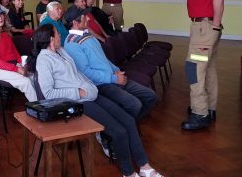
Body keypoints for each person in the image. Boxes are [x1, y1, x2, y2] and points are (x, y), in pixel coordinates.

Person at [27, 24, 163, 177]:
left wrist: (89, 85)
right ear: (51, 39)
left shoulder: (61, 51)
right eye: (58, 33)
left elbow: (77, 73)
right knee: (119, 132)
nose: (60, 35)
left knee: (129, 121)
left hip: (90, 94)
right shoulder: (44, 60)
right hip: (78, 102)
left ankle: (144, 166)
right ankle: (128, 173)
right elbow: (49, 93)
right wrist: (79, 91)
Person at [63, 7, 157, 121]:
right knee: (134, 105)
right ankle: (125, 127)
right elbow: (86, 73)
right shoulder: (72, 43)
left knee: (150, 96)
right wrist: (113, 78)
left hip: (112, 76)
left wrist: (116, 70)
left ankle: (130, 123)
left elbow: (103, 59)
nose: (88, 19)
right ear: (75, 22)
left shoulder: (86, 35)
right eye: (84, 17)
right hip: (101, 84)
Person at [182, 0, 224, 130]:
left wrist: (214, 28)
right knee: (208, 69)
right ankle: (210, 109)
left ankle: (200, 113)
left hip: (204, 30)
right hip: (205, 28)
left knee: (194, 68)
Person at [0, 3, 37, 102]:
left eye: (1, 14)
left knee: (34, 76)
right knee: (25, 82)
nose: (0, 18)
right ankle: (39, 108)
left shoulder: (5, 34)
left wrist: (22, 64)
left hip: (10, 65)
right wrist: (17, 69)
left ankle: (46, 103)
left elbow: (14, 52)